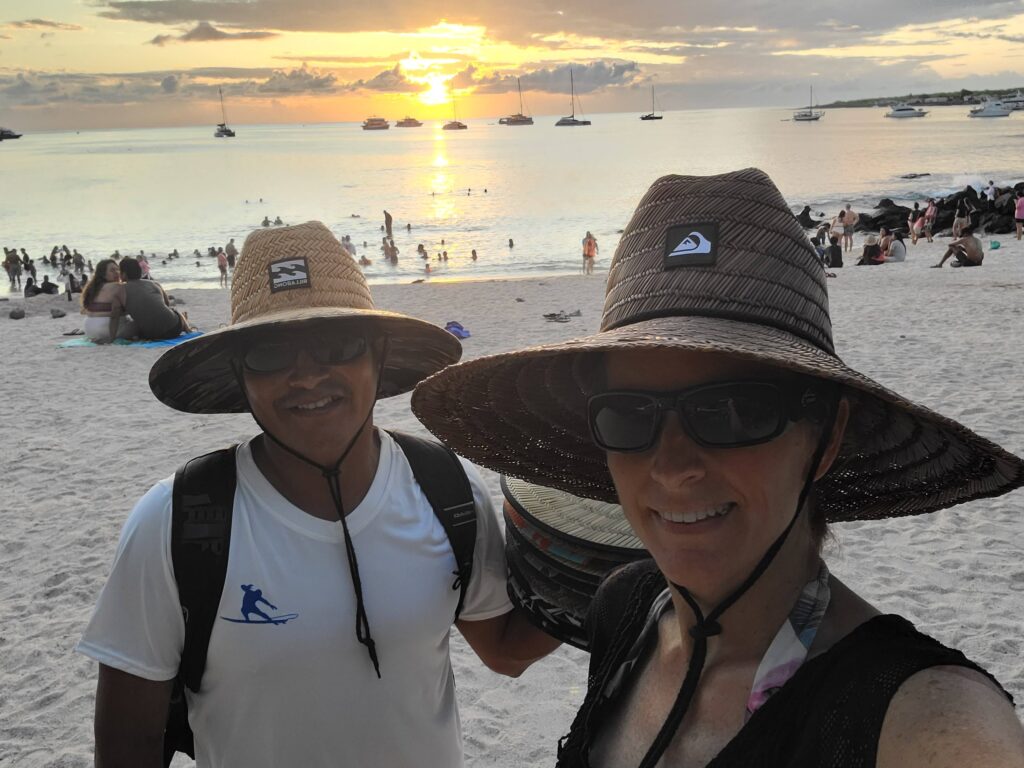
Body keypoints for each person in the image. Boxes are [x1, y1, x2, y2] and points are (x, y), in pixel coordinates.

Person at [412, 168, 1024, 768]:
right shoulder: (625, 608)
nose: (673, 467)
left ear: (827, 437)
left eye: (733, 412)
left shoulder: (921, 717)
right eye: (628, 415)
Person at [77, 222, 559, 767]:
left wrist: (589, 566)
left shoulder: (445, 490)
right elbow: (128, 742)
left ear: (378, 357)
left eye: (335, 345)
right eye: (269, 353)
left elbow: (504, 649)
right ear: (241, 376)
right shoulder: (175, 522)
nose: (306, 376)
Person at [114, 257, 191, 340]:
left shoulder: (120, 290)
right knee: (175, 312)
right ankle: (188, 329)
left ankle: (184, 323)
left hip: (152, 335)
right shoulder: (154, 284)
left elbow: (118, 313)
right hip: (175, 329)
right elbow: (167, 304)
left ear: (124, 274)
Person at [80, 259, 135, 343]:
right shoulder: (118, 286)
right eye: (112, 270)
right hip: (105, 330)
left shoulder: (92, 288)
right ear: (103, 274)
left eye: (118, 269)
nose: (117, 272)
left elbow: (84, 311)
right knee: (139, 324)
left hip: (89, 329)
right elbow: (130, 309)